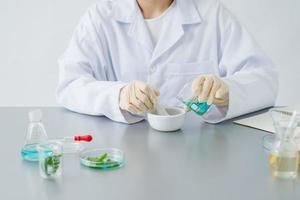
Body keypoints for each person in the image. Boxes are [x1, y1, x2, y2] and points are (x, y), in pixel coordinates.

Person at [57, 0, 278, 124]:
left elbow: (265, 80)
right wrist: (118, 95)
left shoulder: (213, 14)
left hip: (198, 158)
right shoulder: (100, 17)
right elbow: (70, 84)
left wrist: (227, 91)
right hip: (125, 156)